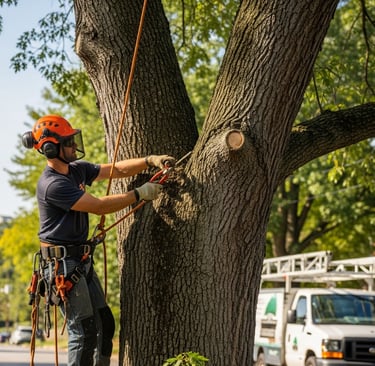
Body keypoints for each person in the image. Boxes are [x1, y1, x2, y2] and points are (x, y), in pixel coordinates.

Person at [22, 114, 176, 366]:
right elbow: (98, 206)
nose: (74, 146)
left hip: (79, 260)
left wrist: (150, 161)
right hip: (62, 267)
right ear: (51, 148)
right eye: (68, 142)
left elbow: (114, 169)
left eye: (73, 140)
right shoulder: (52, 185)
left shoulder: (76, 170)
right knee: (82, 332)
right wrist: (139, 193)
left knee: (104, 324)